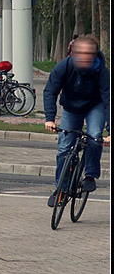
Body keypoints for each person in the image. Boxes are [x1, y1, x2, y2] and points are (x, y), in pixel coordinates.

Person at [43, 34, 110, 205]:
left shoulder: (102, 71)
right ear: (74, 53)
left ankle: (90, 175)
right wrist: (50, 118)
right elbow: (50, 91)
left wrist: (110, 130)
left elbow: (108, 98)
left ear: (94, 54)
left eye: (89, 54)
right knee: (64, 148)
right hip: (71, 108)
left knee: (95, 136)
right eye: (81, 53)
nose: (85, 57)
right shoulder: (64, 67)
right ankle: (61, 189)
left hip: (95, 106)